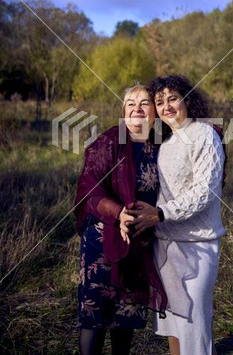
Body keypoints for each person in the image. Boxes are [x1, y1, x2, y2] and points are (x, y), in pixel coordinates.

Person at [127, 75, 226, 355]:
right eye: (159, 102)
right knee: (172, 322)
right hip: (165, 244)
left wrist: (160, 213)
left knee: (193, 324)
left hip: (198, 244)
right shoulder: (165, 143)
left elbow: (205, 192)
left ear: (187, 100)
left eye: (172, 98)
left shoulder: (203, 135)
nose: (166, 106)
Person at [74, 85, 167, 355]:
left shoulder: (163, 146)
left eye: (144, 103)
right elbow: (88, 186)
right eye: (129, 103)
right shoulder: (108, 142)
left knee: (126, 315)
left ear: (155, 112)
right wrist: (118, 213)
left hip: (139, 241)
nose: (136, 108)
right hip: (102, 242)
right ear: (123, 112)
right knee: (95, 315)